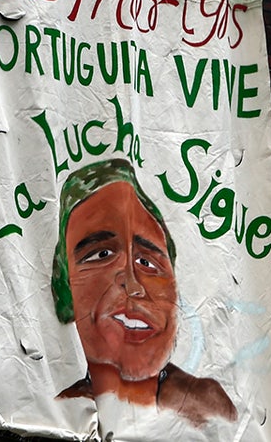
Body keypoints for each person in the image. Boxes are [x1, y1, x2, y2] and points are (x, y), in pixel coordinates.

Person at [51, 158, 237, 428]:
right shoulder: (53, 414)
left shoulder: (212, 412)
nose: (134, 285)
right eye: (101, 254)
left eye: (148, 263)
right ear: (65, 285)